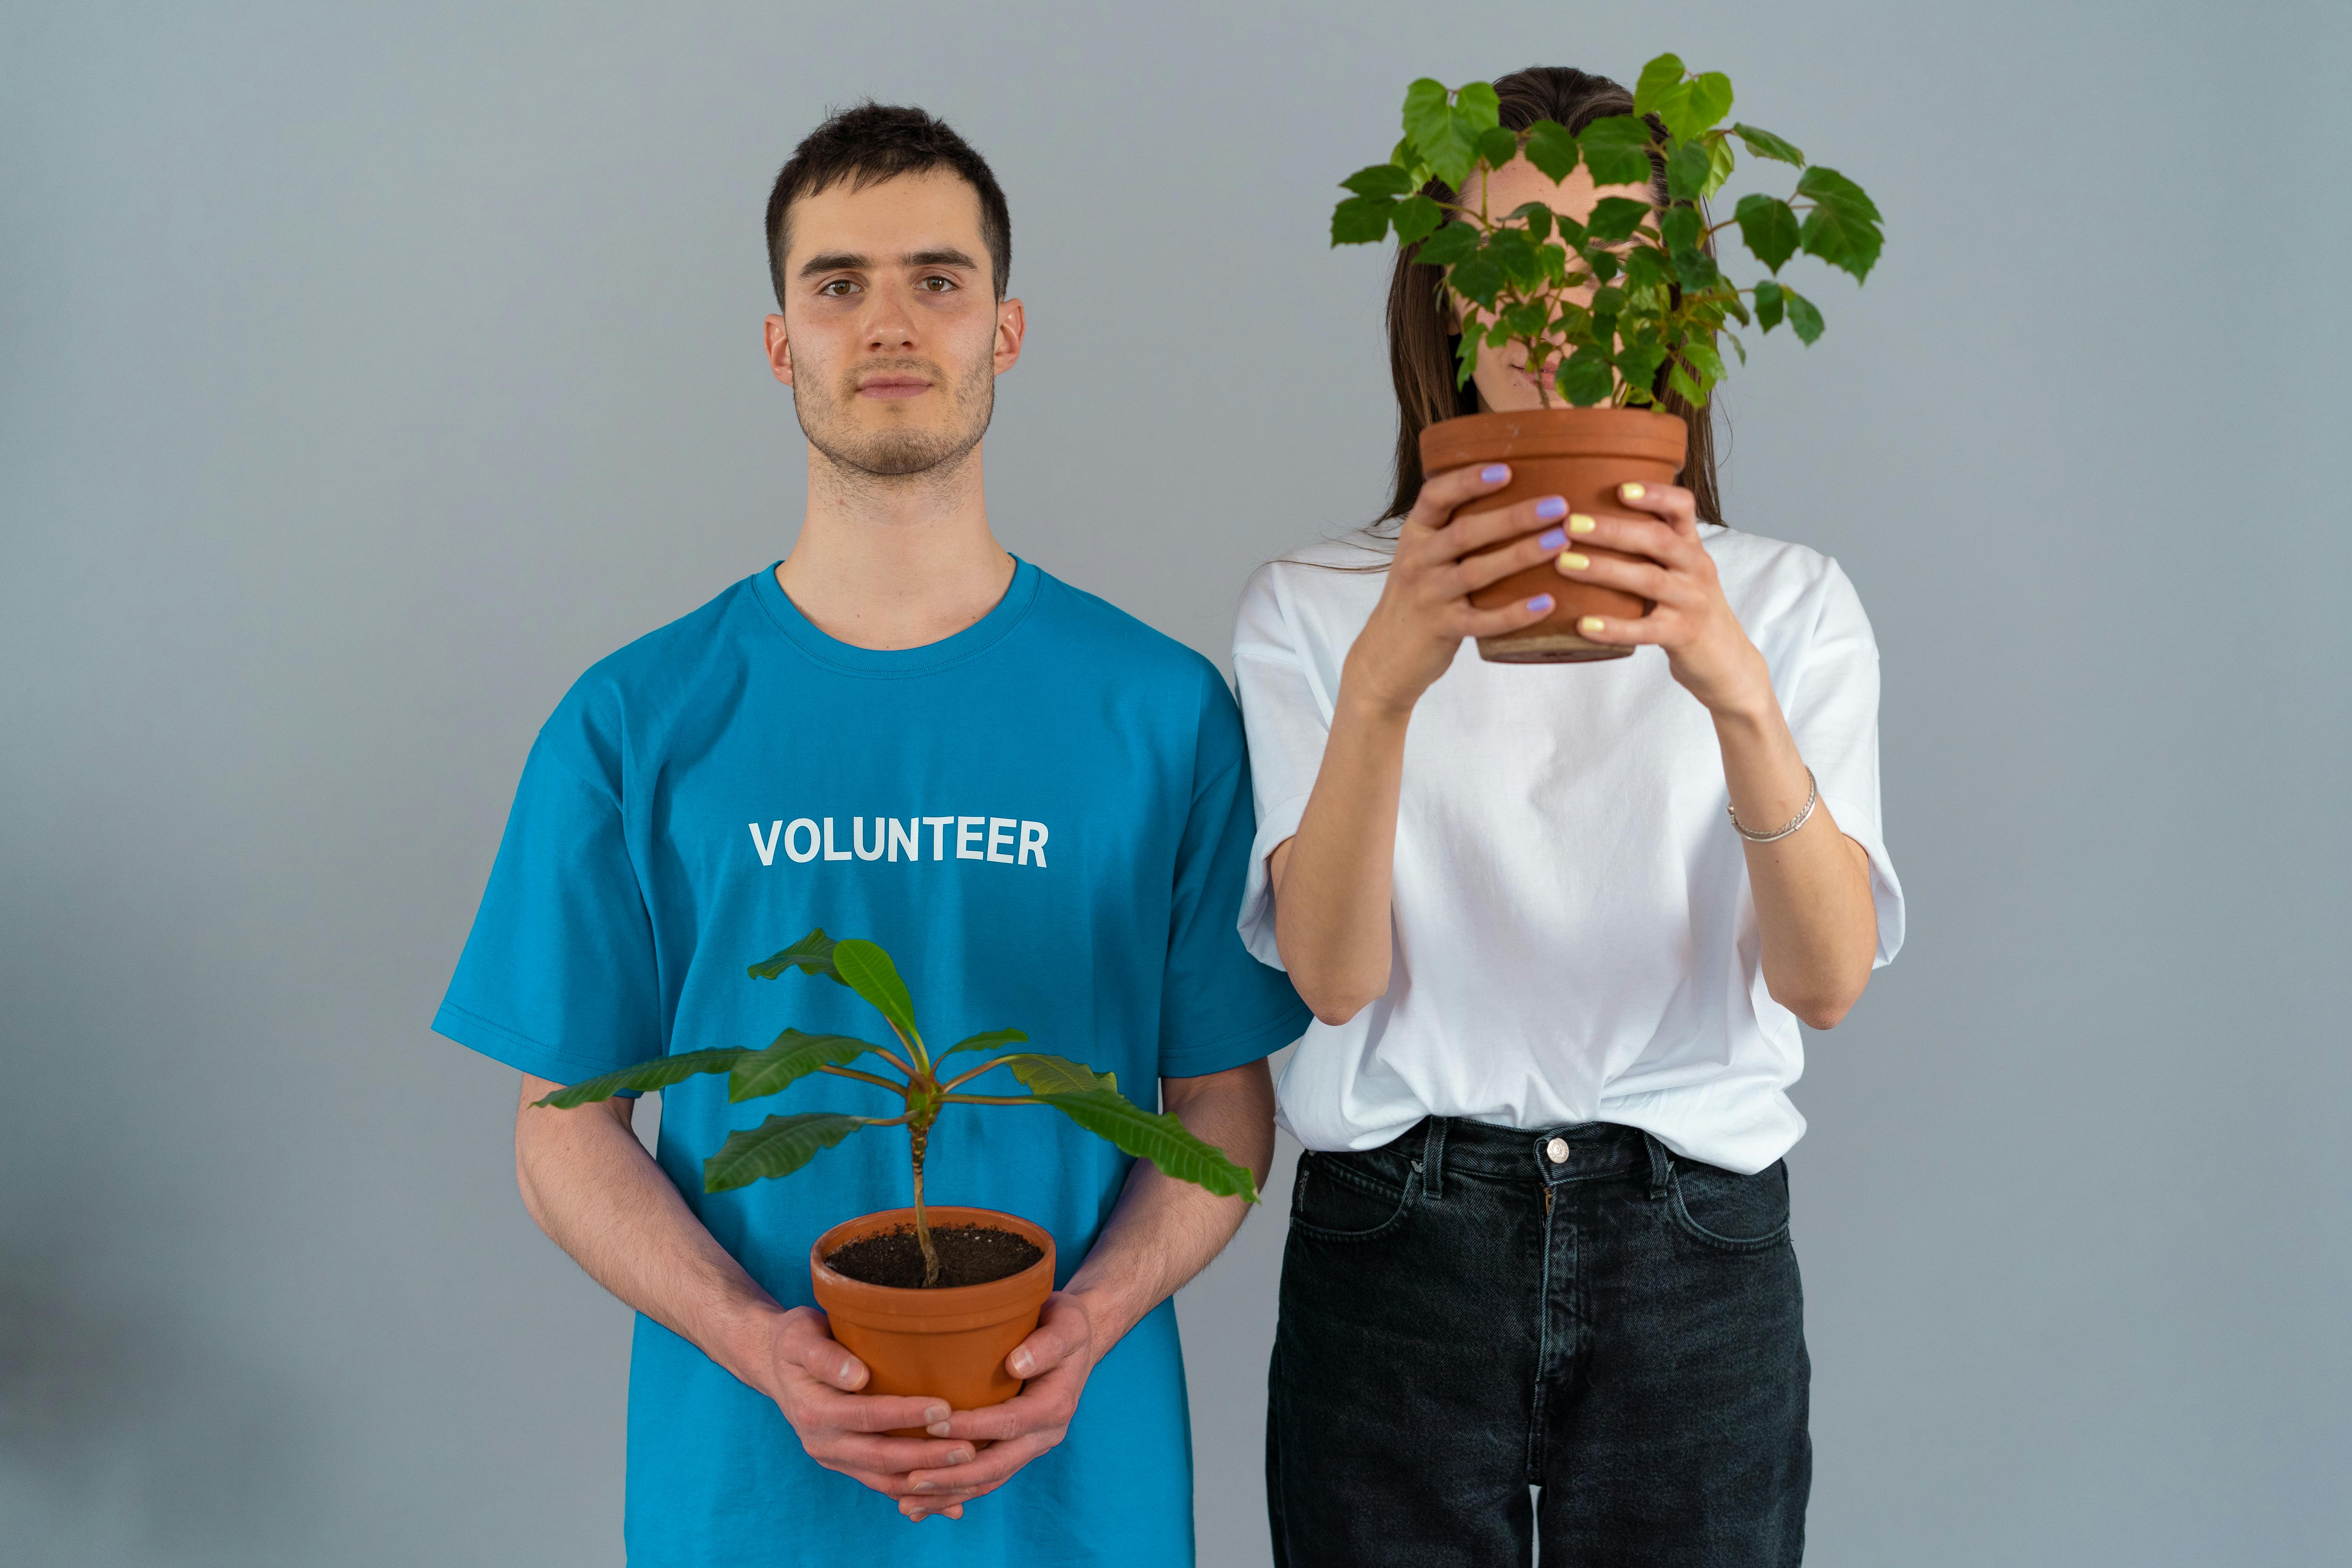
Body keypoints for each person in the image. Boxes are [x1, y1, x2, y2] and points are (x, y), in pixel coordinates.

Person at [432, 103, 1307, 1565]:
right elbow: (561, 1130)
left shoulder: (1162, 711)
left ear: (1005, 330)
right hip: (747, 1499)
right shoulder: (636, 721)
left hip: (1076, 1488)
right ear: (781, 340)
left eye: (937, 279)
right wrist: (761, 1344)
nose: (888, 322)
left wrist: (1085, 1324)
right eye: (837, 283)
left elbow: (1222, 1105)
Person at [1235, 66, 1906, 1566]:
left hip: (1693, 1243)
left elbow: (1829, 981)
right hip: (1396, 1234)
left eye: (1611, 262)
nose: (1554, 308)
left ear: (1673, 312)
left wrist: (1731, 684)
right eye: (1507, 259)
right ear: (1444, 308)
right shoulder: (1312, 609)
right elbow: (1332, 981)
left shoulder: (1791, 605)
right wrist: (1385, 685)